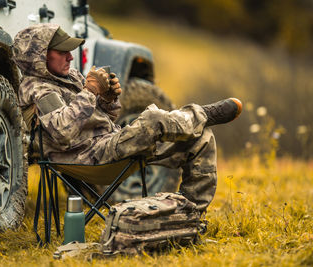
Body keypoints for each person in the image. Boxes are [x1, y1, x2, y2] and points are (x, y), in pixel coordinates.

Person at [12, 24, 242, 213]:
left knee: (201, 138)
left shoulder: (68, 76)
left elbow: (101, 118)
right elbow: (62, 132)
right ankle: (203, 113)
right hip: (86, 159)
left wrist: (107, 100)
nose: (71, 57)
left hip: (109, 145)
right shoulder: (37, 89)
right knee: (151, 119)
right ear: (39, 56)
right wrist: (90, 92)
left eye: (69, 51)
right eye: (62, 52)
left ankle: (189, 213)